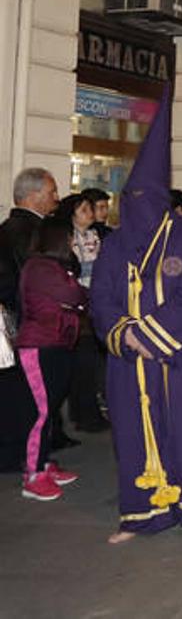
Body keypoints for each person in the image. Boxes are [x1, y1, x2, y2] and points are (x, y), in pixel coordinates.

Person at [89, 91, 182, 542]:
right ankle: (142, 515)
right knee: (134, 437)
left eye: (143, 198)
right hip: (128, 361)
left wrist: (149, 336)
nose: (136, 207)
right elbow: (102, 296)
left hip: (178, 356)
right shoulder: (114, 243)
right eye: (129, 199)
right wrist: (125, 335)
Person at [15, 217, 85, 501]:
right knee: (41, 413)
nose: (73, 244)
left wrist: (77, 298)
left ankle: (43, 463)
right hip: (39, 346)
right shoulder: (40, 268)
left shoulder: (54, 268)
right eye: (70, 239)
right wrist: (78, 297)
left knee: (51, 408)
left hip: (56, 343)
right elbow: (73, 294)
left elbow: (75, 298)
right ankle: (32, 475)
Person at [0, 167, 60, 472]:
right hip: (33, 330)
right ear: (34, 196)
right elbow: (37, 284)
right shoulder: (32, 232)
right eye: (51, 193)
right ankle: (31, 462)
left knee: (16, 395)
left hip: (18, 326)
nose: (56, 199)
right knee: (33, 400)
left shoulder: (8, 227)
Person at [58, 193, 108, 433]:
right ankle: (84, 414)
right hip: (75, 306)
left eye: (91, 209)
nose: (91, 214)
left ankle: (85, 412)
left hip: (94, 302)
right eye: (85, 210)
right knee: (83, 362)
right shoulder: (65, 238)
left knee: (88, 361)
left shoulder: (95, 235)